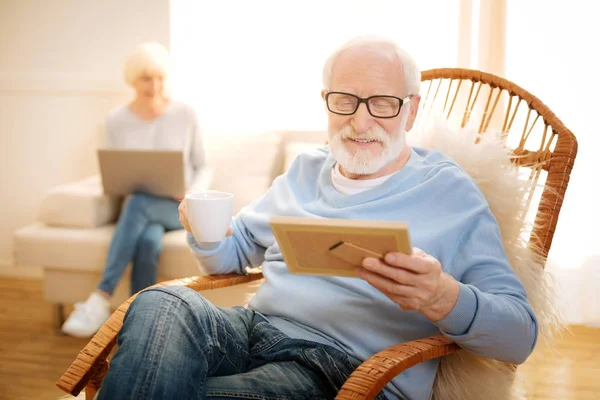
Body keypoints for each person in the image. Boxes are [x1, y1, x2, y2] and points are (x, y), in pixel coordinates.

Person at [97, 37, 538, 400]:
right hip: (256, 330)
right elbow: (231, 256)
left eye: (382, 103)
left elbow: (519, 337)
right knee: (160, 302)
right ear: (326, 102)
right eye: (345, 101)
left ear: (411, 109)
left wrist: (443, 297)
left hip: (343, 371)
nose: (361, 122)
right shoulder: (306, 169)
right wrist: (207, 231)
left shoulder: (449, 191)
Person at [61, 42, 208, 338]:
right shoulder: (117, 120)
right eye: (146, 78)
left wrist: (190, 191)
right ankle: (140, 322)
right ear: (133, 79)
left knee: (140, 204)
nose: (154, 85)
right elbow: (114, 171)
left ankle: (101, 297)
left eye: (159, 78)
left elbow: (203, 166)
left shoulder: (185, 114)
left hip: (176, 206)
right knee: (147, 242)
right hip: (140, 210)